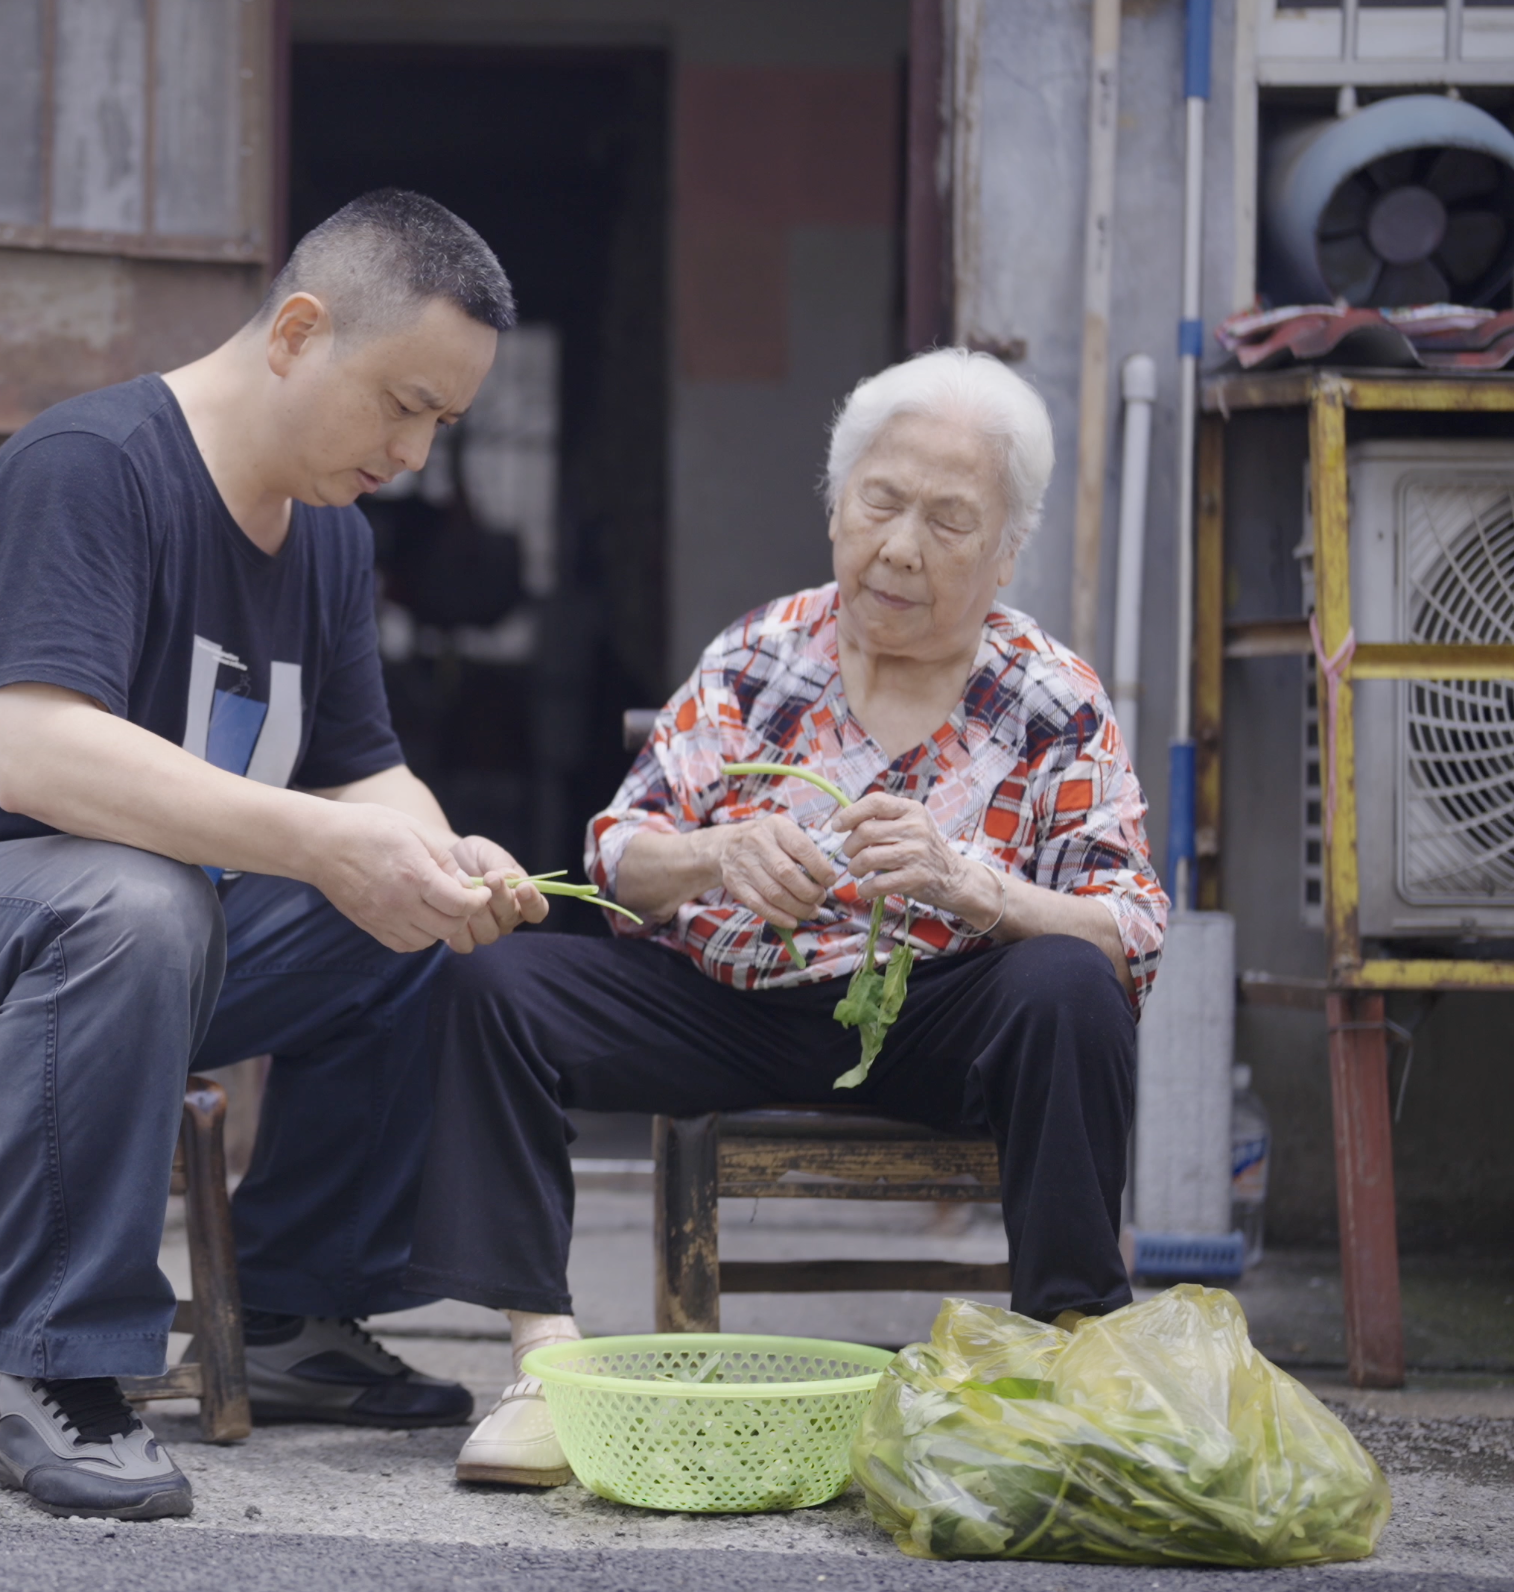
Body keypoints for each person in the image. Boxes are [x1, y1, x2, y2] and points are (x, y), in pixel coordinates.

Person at [0, 190, 553, 1522]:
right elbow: (40, 762)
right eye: (400, 404)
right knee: (135, 894)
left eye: (439, 425)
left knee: (407, 917)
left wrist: (435, 852)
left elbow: (358, 771)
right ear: (296, 331)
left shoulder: (333, 538)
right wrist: (335, 844)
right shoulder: (95, 467)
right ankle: (43, 1375)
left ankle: (294, 1314)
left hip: (125, 947)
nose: (409, 453)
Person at [402, 348, 1171, 1488]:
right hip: (729, 1003)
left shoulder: (1049, 696)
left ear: (1008, 551)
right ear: (834, 508)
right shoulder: (761, 656)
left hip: (936, 1016)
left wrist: (977, 887)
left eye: (949, 520)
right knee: (489, 980)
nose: (901, 545)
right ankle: (543, 1360)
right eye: (879, 502)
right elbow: (617, 855)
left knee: (1068, 981)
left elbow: (1131, 922)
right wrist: (714, 852)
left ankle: (1064, 1360)